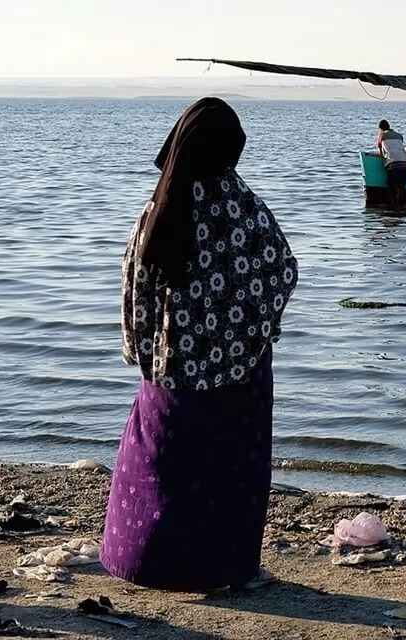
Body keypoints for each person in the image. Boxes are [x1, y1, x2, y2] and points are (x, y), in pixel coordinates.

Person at [100, 97, 299, 592]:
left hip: (169, 367)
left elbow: (135, 283)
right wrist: (257, 330)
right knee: (229, 469)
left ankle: (141, 561)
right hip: (238, 369)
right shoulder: (239, 203)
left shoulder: (160, 205)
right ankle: (223, 569)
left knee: (160, 460)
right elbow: (282, 269)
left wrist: (143, 349)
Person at [376, 119, 406, 208]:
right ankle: (401, 209)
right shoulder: (399, 136)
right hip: (404, 164)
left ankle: (394, 208)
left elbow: (381, 153)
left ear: (381, 129)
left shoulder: (381, 135)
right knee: (401, 189)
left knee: (392, 189)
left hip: (392, 164)